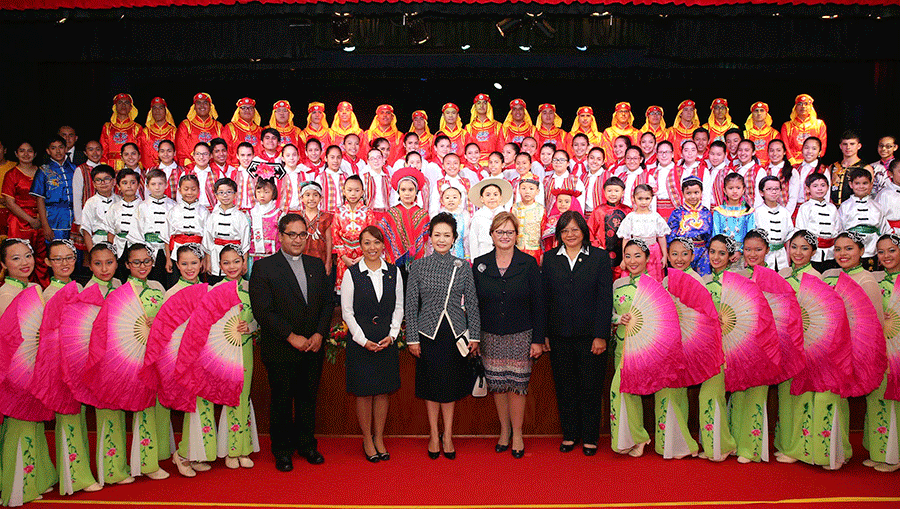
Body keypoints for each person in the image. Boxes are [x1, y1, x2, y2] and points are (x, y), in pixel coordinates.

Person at [249, 214, 333, 472]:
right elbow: (263, 311)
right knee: (282, 400)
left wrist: (319, 333)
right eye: (292, 235)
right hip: (281, 347)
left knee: (308, 398)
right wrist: (290, 336)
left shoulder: (316, 264)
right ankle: (282, 450)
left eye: (302, 234)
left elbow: (327, 303)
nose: (298, 240)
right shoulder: (264, 268)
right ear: (281, 236)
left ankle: (307, 445)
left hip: (313, 346)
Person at [406, 212, 481, 460]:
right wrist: (412, 338)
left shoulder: (463, 266)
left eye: (446, 235)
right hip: (428, 333)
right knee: (431, 386)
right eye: (437, 235)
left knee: (449, 386)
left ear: (454, 239)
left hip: (455, 333)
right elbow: (410, 304)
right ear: (430, 238)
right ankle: (433, 434)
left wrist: (475, 336)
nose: (441, 239)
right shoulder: (417, 266)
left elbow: (472, 303)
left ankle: (448, 434)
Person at [472, 212, 544, 458]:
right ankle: (504, 431)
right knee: (498, 385)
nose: (504, 236)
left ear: (516, 235)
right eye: (499, 232)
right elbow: (473, 305)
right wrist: (475, 337)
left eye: (509, 232)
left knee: (518, 386)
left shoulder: (528, 263)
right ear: (491, 235)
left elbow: (539, 304)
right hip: (490, 334)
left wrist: (538, 339)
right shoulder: (480, 264)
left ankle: (518, 433)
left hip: (521, 334)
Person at [542, 210, 613, 456]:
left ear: (584, 231)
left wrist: (601, 334)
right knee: (565, 387)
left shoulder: (600, 257)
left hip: (591, 337)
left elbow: (605, 299)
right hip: (559, 335)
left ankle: (591, 437)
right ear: (559, 235)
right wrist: (545, 335)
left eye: (575, 229)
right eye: (565, 230)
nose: (570, 234)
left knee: (591, 388)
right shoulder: (550, 258)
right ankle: (570, 434)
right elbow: (545, 299)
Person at [0, 238, 59, 505]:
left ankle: (38, 478)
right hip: (15, 369)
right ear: (3, 264)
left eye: (28, 256)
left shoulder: (35, 288)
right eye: (15, 258)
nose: (24, 263)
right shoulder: (5, 295)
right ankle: (16, 488)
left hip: (35, 365)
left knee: (33, 423)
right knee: (19, 425)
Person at [340, 225, 403, 463]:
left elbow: (398, 307)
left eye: (376, 242)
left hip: (386, 340)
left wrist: (393, 334)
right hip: (361, 342)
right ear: (360, 246)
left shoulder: (394, 272)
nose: (372, 248)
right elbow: (347, 312)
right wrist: (362, 340)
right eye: (367, 243)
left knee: (383, 391)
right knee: (364, 393)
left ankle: (379, 437)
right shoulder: (352, 273)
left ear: (383, 245)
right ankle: (367, 439)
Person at [609, 240, 654, 457]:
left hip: (643, 348)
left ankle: (639, 436)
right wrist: (620, 318)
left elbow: (662, 318)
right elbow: (608, 314)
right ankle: (630, 438)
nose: (633, 261)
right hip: (620, 345)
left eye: (638, 256)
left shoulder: (654, 285)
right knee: (627, 393)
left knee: (625, 391)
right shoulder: (618, 284)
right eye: (628, 256)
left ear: (647, 258)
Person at [701, 235, 739, 461]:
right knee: (711, 396)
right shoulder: (704, 282)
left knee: (713, 396)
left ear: (730, 256)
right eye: (713, 252)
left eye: (722, 253)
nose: (716, 257)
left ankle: (722, 445)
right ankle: (715, 444)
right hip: (709, 348)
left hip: (730, 348)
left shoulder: (735, 282)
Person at [870, 234, 900, 472]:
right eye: (881, 252)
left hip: (898, 348)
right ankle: (880, 450)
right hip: (879, 348)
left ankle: (894, 455)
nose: (886, 256)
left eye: (891, 250)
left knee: (896, 400)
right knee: (878, 396)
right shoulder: (876, 283)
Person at [3, 142, 49, 284]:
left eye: (29, 151)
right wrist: (31, 220)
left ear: (35, 154)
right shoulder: (12, 174)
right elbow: (9, 202)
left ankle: (42, 290)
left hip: (42, 221)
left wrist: (42, 218)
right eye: (22, 151)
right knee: (20, 258)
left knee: (41, 259)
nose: (26, 154)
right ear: (16, 154)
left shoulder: (43, 172)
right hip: (19, 222)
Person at [380, 167, 429, 280]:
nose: (407, 193)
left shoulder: (423, 214)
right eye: (403, 190)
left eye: (411, 190)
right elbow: (384, 236)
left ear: (416, 191)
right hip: (396, 263)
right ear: (398, 191)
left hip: (417, 264)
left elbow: (425, 239)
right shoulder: (391, 213)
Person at [162, 174, 209, 287]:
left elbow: (208, 238)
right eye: (186, 189)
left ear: (198, 190)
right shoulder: (173, 211)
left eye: (193, 189)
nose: (189, 192)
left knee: (198, 285)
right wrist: (168, 259)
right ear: (179, 190)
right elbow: (166, 237)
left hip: (198, 253)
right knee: (176, 285)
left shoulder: (204, 211)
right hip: (177, 253)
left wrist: (206, 260)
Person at [837, 168, 887, 271]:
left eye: (865, 183)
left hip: (872, 248)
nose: (861, 186)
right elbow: (839, 228)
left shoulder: (877, 206)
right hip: (850, 248)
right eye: (857, 183)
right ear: (851, 185)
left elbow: (884, 229)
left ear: (871, 184)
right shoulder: (845, 206)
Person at [617, 184, 670, 281]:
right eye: (640, 199)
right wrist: (624, 258)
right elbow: (626, 239)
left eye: (647, 198)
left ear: (651, 199)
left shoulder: (656, 217)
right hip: (635, 251)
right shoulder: (631, 217)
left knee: (652, 281)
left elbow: (661, 237)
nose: (643, 202)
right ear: (634, 199)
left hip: (653, 253)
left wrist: (665, 256)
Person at [203, 177, 250, 285]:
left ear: (235, 194)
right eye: (221, 192)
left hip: (235, 256)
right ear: (216, 195)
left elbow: (245, 242)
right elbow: (208, 240)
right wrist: (208, 261)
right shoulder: (212, 217)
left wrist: (244, 262)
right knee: (216, 288)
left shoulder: (241, 216)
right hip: (216, 256)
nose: (225, 195)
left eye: (229, 192)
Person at [32, 136, 77, 246]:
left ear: (66, 149)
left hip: (74, 220)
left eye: (61, 147)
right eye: (53, 148)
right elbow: (40, 199)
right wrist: (45, 226)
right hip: (53, 220)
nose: (58, 151)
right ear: (48, 151)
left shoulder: (74, 168)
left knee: (75, 255)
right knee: (56, 253)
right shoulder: (43, 170)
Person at [332, 175, 373, 289]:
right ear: (344, 192)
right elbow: (335, 234)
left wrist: (364, 255)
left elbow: (372, 235)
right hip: (344, 255)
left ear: (362, 192)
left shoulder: (368, 212)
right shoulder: (339, 211)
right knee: (346, 288)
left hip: (363, 254)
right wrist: (344, 257)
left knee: (363, 288)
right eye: (349, 190)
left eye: (357, 190)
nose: (353, 194)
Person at [666, 176, 713, 275]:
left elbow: (710, 235)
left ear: (701, 193)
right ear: (683, 194)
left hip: (702, 252)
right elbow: (671, 235)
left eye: (696, 193)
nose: (692, 196)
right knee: (684, 278)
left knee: (703, 279)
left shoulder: (706, 213)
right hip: (682, 252)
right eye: (688, 193)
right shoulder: (677, 213)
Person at [138, 169, 176, 287]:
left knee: (168, 282)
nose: (157, 187)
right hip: (149, 249)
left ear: (166, 185)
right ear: (148, 186)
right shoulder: (142, 206)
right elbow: (138, 230)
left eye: (160, 184)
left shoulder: (173, 206)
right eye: (153, 184)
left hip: (168, 251)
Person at [795, 172, 840, 272]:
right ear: (807, 189)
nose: (819, 189)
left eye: (823, 185)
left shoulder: (832, 208)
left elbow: (837, 228)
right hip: (812, 252)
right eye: (815, 186)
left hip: (830, 251)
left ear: (828, 187)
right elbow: (801, 230)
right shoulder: (805, 207)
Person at [587, 176, 630, 278]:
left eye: (616, 190)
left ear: (623, 192)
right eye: (609, 191)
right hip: (603, 252)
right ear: (604, 192)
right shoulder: (599, 211)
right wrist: (597, 246)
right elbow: (589, 231)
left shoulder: (628, 211)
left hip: (623, 255)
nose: (613, 194)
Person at [106, 169, 143, 280]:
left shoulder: (143, 206)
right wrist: (110, 252)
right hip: (119, 248)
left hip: (138, 248)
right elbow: (111, 232)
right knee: (120, 278)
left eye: (133, 182)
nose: (129, 186)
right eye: (124, 183)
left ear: (138, 185)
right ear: (118, 186)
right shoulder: (114, 207)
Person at [713, 173, 755, 264]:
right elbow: (716, 234)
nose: (735, 191)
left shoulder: (748, 212)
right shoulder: (718, 211)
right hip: (722, 251)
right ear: (724, 190)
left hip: (743, 252)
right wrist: (723, 251)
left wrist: (740, 251)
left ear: (743, 189)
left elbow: (750, 235)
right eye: (731, 188)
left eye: (738, 188)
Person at [754, 176, 794, 270]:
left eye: (776, 189)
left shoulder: (785, 212)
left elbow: (789, 237)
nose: (774, 192)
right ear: (761, 192)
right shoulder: (757, 213)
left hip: (782, 256)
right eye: (769, 189)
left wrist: (788, 257)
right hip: (764, 257)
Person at [469, 178, 513, 260]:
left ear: (500, 198)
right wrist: (474, 259)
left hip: (503, 253)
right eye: (488, 195)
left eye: (495, 195)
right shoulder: (478, 216)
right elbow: (473, 240)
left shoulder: (506, 215)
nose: (492, 198)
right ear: (482, 199)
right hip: (483, 252)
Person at [176, 93, 224, 167]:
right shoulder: (186, 125)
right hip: (191, 168)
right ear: (194, 107)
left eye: (205, 103)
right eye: (198, 103)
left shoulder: (218, 126)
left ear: (210, 106)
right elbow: (182, 153)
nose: (202, 105)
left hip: (214, 168)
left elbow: (222, 150)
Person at [297, 181, 333, 276]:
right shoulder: (297, 217)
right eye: (307, 195)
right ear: (301, 198)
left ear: (321, 198)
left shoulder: (326, 217)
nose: (311, 198)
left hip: (321, 260)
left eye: (315, 195)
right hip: (300, 260)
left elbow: (329, 241)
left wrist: (328, 262)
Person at [831, 130, 875, 207]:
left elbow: (867, 192)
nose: (848, 147)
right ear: (840, 146)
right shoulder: (833, 166)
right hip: (833, 209)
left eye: (852, 144)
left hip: (855, 209)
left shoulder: (865, 168)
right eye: (845, 144)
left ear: (859, 146)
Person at [100, 93, 144, 170]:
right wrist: (105, 167)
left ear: (131, 107)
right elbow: (103, 149)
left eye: (126, 103)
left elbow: (140, 150)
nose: (123, 105)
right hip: (110, 166)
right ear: (115, 107)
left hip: (131, 165)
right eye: (120, 102)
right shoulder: (107, 127)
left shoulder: (137, 127)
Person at [780, 94, 827, 165]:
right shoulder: (787, 126)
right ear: (795, 107)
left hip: (813, 163)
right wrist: (793, 162)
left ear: (811, 107)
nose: (803, 106)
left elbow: (822, 145)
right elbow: (785, 146)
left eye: (806, 104)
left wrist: (814, 162)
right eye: (800, 104)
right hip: (793, 164)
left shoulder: (819, 124)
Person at [248, 177, 283, 272]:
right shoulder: (250, 213)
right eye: (259, 192)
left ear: (273, 193)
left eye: (266, 192)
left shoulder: (278, 214)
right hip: (253, 255)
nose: (262, 195)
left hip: (273, 255)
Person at [512, 175, 544, 263]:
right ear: (519, 190)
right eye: (523, 188)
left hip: (534, 250)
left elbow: (544, 233)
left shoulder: (541, 209)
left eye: (531, 189)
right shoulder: (514, 208)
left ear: (537, 191)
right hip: (517, 249)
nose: (527, 192)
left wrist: (543, 253)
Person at [141, 97, 178, 169]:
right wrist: (153, 171)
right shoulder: (146, 132)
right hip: (152, 172)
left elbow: (177, 154)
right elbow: (144, 156)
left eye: (160, 108)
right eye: (154, 108)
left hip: (172, 169)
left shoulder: (174, 131)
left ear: (166, 111)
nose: (157, 111)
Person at [601, 102, 641, 168]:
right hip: (613, 168)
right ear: (616, 115)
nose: (623, 114)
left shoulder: (636, 133)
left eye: (626, 111)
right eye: (620, 111)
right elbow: (607, 154)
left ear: (630, 115)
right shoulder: (608, 132)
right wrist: (614, 167)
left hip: (633, 167)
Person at [438, 184, 470, 261]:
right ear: (442, 200)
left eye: (454, 197)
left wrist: (468, 255)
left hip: (460, 254)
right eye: (447, 197)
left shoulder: (464, 216)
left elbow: (466, 239)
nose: (451, 200)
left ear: (460, 201)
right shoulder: (439, 217)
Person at [794, 137, 827, 209]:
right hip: (796, 209)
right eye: (806, 148)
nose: (809, 151)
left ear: (819, 152)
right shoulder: (795, 168)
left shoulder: (823, 170)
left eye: (814, 149)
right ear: (802, 149)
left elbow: (826, 195)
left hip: (815, 209)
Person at [743, 101, 780, 166]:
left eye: (762, 110)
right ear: (752, 114)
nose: (759, 113)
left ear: (766, 114)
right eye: (756, 111)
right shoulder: (745, 134)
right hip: (750, 167)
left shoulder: (774, 133)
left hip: (771, 167)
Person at [653, 141, 678, 219]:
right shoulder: (651, 172)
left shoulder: (680, 171)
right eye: (660, 152)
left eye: (667, 152)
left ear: (673, 154)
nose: (664, 155)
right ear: (656, 155)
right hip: (656, 210)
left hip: (675, 209)